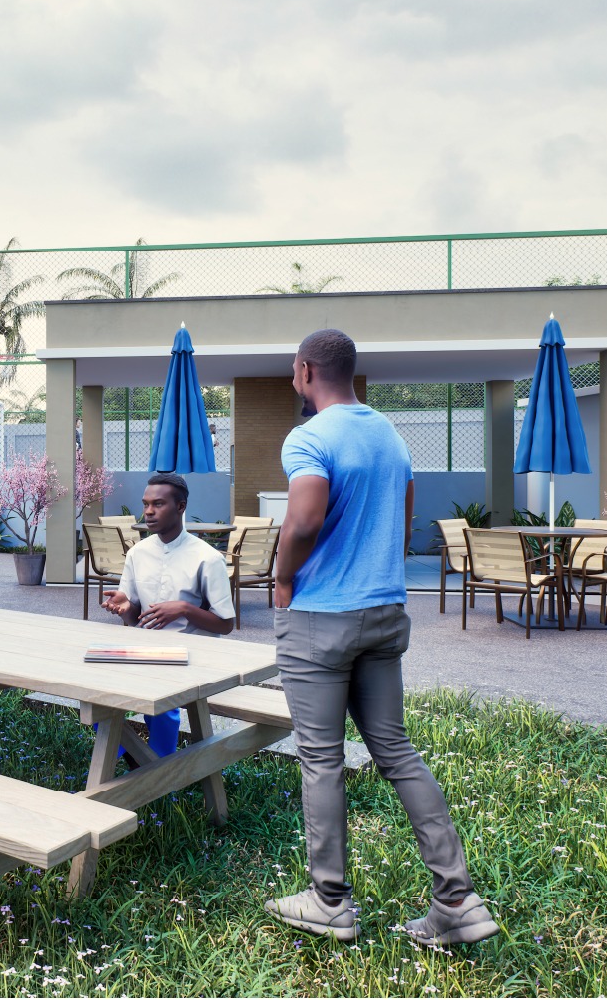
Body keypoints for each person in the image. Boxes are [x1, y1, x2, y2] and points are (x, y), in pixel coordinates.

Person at [263, 328, 499, 946]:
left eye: (294, 370)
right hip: (385, 610)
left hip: (320, 617)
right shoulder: (390, 435)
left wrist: (282, 580)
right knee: (396, 751)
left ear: (305, 370)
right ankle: (457, 900)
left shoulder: (309, 436)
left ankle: (329, 902)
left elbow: (304, 518)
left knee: (321, 758)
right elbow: (404, 515)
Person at [99, 472, 235, 758]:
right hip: (145, 649)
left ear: (180, 507)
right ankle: (133, 756)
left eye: (158, 504)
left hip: (190, 654)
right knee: (95, 687)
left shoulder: (208, 558)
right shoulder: (137, 553)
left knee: (160, 696)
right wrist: (125, 609)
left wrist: (183, 609)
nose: (148, 511)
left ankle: (158, 765)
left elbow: (225, 624)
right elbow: (135, 619)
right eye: (146, 504)